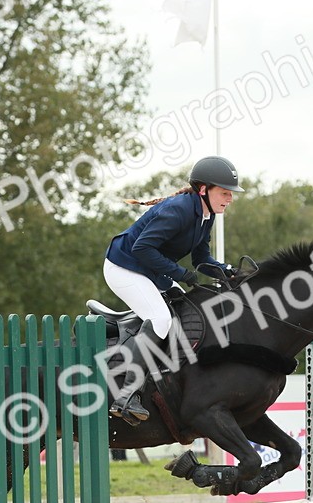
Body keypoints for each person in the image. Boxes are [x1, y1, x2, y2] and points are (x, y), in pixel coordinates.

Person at [103, 155, 244, 424]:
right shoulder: (177, 210)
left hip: (149, 269)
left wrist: (226, 271)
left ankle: (164, 380)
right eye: (225, 192)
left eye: (231, 194)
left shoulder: (206, 215)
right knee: (160, 318)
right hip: (124, 267)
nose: (230, 198)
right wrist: (181, 274)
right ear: (204, 189)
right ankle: (125, 395)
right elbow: (141, 248)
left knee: (185, 307)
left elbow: (201, 258)